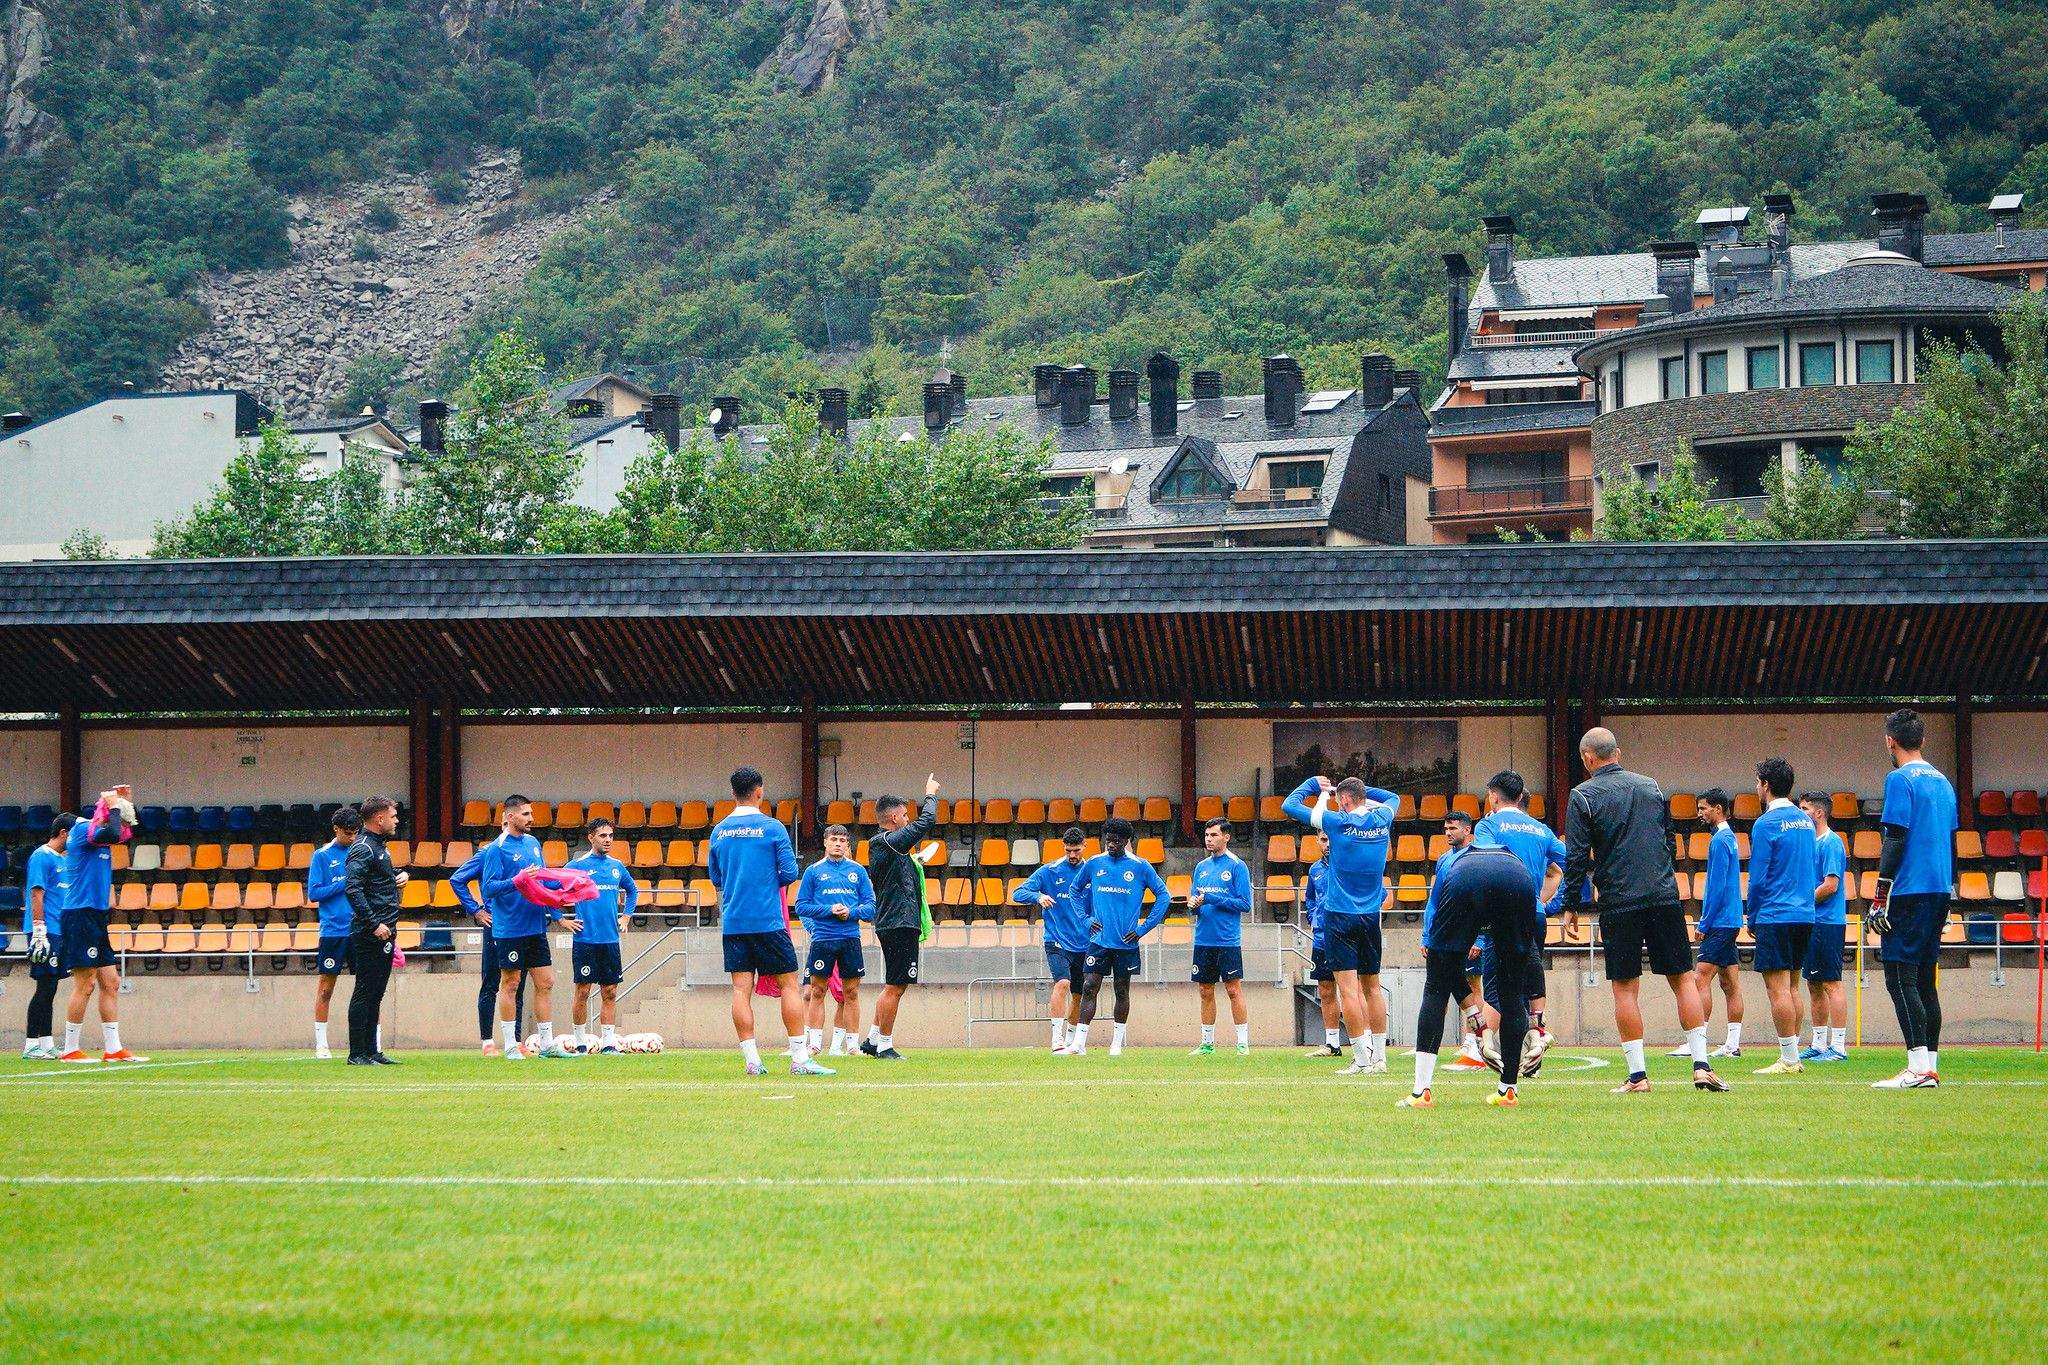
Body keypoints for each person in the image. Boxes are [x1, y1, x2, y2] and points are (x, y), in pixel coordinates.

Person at [1562, 729, 1727, 1093]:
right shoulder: (1651, 786)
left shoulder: (1582, 796)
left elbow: (1575, 856)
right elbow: (1669, 840)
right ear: (1617, 753)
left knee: (1625, 988)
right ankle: (1702, 1067)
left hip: (1620, 901)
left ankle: (1638, 1077)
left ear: (1587, 758)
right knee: (1683, 978)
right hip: (1664, 896)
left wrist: (1571, 904)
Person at [1399, 841, 1539, 1111]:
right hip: (1518, 881)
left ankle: (1421, 1093)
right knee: (1511, 992)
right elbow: (1530, 963)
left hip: (1466, 881)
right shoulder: (1515, 860)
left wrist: (1477, 1021)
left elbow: (1447, 971)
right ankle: (1509, 1090)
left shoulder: (1450, 862)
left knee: (1435, 987)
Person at [709, 766, 824, 1075]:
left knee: (740, 990)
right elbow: (789, 873)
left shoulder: (719, 831)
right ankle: (799, 1059)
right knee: (788, 984)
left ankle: (752, 1061)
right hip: (768, 920)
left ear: (733, 793)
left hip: (734, 921)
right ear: (759, 791)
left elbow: (716, 878)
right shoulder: (772, 828)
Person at [1282, 774, 1397, 1075]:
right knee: (1372, 989)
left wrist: (1312, 785)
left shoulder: (1336, 822)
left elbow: (1289, 805)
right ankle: (1381, 1060)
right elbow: (1391, 797)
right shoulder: (1383, 818)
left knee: (1348, 990)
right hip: (1371, 916)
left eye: (1339, 799)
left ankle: (1361, 1059)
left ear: (1344, 800)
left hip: (1339, 915)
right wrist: (1353, 790)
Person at [1870, 708, 1955, 1089]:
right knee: (1924, 980)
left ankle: (1917, 1068)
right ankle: (1930, 1067)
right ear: (1922, 739)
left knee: (1899, 978)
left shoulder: (1899, 779)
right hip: (1939, 888)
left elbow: (1896, 837)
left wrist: (1879, 895)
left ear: (1891, 740)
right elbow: (1949, 839)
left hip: (1908, 890)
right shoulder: (1943, 781)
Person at [475, 795, 581, 1061]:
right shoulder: (496, 849)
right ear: (510, 817)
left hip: (535, 926)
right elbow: (488, 888)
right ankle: (511, 1045)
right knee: (510, 983)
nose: (531, 818)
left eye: (531, 813)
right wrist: (517, 880)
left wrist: (566, 889)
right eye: (525, 814)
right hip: (510, 928)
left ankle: (546, 1045)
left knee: (546, 982)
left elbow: (541, 883)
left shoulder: (533, 843)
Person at [1474, 772, 1563, 1078]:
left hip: (1503, 912)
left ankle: (1489, 1048)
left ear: (1494, 796)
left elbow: (1485, 861)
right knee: (1527, 976)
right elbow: (1567, 864)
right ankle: (1533, 1046)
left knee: (1499, 987)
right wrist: (1547, 901)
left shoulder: (1488, 825)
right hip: (1534, 915)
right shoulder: (1541, 829)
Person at [1066, 817, 1171, 1057]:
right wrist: (1084, 918)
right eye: (1108, 840)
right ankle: (1079, 1044)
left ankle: (1116, 1044)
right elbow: (1074, 890)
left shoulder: (1140, 866)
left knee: (1121, 990)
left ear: (1126, 841)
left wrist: (1144, 928)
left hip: (1126, 943)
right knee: (1089, 986)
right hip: (1098, 941)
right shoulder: (1094, 863)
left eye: (1116, 841)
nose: (1110, 845)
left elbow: (1163, 896)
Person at [57, 787, 144, 1063]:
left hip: (94, 914)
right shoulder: (82, 831)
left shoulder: (99, 837)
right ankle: (70, 1049)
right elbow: (109, 831)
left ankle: (113, 1048)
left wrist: (123, 803)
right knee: (85, 983)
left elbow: (122, 832)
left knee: (111, 982)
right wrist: (112, 807)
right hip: (80, 914)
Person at [1747, 758, 1818, 1076]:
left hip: (1775, 914)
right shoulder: (1806, 822)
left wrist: (1751, 913)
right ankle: (1794, 1055)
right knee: (1793, 987)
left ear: (1764, 784)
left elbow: (1758, 877)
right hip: (1804, 914)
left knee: (1777, 990)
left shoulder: (1765, 824)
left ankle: (1789, 1059)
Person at [861, 775, 940, 1060]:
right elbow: (925, 823)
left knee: (895, 984)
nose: (908, 819)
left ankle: (872, 1039)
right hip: (897, 922)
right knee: (895, 985)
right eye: (905, 814)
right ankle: (884, 1044)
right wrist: (929, 794)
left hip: (898, 921)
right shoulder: (884, 842)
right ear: (894, 818)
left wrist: (916, 862)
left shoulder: (893, 849)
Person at [1671, 789, 1744, 1059]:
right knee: (1729, 981)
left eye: (1703, 808)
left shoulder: (1719, 841)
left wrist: (1705, 921)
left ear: (1718, 809)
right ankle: (1732, 1044)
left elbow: (1717, 886)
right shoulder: (1730, 838)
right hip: (1731, 919)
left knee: (1700, 977)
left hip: (1720, 921)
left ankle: (1696, 1042)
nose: (1700, 813)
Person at [794, 824, 875, 1059]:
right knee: (818, 991)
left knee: (851, 993)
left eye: (842, 840)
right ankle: (815, 1045)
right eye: (834, 839)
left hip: (850, 937)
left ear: (847, 844)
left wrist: (850, 913)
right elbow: (801, 906)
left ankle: (852, 1046)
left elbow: (870, 906)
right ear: (825, 843)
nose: (838, 843)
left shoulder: (858, 872)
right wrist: (829, 909)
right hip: (823, 938)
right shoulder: (813, 871)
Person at [1013, 827, 1090, 1052]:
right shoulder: (1050, 871)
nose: (1072, 855)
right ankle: (1056, 1039)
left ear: (1084, 846)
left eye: (1076, 850)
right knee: (1062, 983)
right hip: (1056, 939)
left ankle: (1072, 1040)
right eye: (1068, 851)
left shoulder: (1092, 871)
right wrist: (1038, 896)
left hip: (1084, 942)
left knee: (1079, 993)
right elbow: (1018, 893)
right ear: (1063, 848)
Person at [1422, 811, 1488, 1072]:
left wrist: (1480, 937)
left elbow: (1482, 902)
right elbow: (1434, 900)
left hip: (1468, 935)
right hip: (1443, 936)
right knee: (1451, 985)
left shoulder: (1475, 858)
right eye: (1445, 828)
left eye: (1453, 828)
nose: (1448, 832)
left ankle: (1476, 1042)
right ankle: (1477, 1039)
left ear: (1467, 831)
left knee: (1471, 984)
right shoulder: (1443, 860)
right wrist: (1427, 934)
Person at [567, 817, 639, 1054]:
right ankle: (579, 1042)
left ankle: (608, 1043)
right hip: (585, 940)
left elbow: (632, 890)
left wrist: (626, 917)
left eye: (610, 836)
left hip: (610, 940)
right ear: (591, 837)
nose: (608, 840)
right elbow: (551, 889)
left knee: (610, 991)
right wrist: (560, 919)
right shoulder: (576, 866)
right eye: (602, 836)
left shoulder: (617, 866)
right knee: (583, 990)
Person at [342, 796, 405, 1066]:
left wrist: (398, 876)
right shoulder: (364, 847)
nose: (396, 821)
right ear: (379, 819)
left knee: (376, 991)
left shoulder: (380, 847)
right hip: (372, 931)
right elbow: (352, 888)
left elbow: (377, 879)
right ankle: (357, 1053)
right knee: (365, 990)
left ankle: (371, 1051)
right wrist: (374, 923)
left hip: (387, 928)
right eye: (392, 816)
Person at [452, 836, 526, 1055]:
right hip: (495, 924)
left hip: (520, 924)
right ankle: (487, 1042)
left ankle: (516, 1042)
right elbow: (457, 879)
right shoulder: (489, 852)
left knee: (518, 983)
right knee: (492, 981)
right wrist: (476, 910)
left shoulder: (527, 847)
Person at [1188, 818, 1253, 1055]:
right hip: (1203, 938)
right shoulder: (1201, 867)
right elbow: (1195, 902)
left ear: (1226, 837)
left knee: (1233, 990)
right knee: (1205, 990)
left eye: (1214, 835)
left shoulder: (1237, 866)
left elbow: (1245, 903)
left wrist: (1211, 899)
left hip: (1227, 940)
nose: (1209, 839)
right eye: (1207, 835)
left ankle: (1243, 1043)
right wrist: (1193, 905)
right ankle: (1207, 1044)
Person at [305, 806, 361, 1060]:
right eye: (347, 833)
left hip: (361, 929)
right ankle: (321, 1044)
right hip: (333, 931)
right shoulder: (322, 856)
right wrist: (342, 882)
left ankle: (372, 1043)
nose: (352, 837)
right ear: (336, 829)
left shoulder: (362, 852)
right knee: (326, 987)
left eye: (355, 833)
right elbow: (314, 893)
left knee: (368, 988)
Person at [1798, 792, 1850, 1062]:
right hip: (1813, 921)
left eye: (1805, 808)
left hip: (1828, 922)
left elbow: (1831, 885)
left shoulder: (1831, 843)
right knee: (1814, 983)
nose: (1800, 812)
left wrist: (1802, 902)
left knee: (1832, 983)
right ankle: (1818, 1044)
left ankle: (1838, 1047)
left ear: (1819, 813)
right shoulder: (1809, 843)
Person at [20, 813, 76, 1060]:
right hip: (45, 931)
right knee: (44, 986)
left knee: (51, 987)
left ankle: (46, 1043)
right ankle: (31, 1044)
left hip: (59, 930)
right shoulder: (41, 857)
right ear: (64, 833)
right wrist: (39, 930)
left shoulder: (63, 861)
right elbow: (36, 894)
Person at [1300, 856, 1342, 1058]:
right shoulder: (1314, 869)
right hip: (1321, 938)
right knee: (1325, 989)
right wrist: (1312, 916)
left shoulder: (1349, 860)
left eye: (1330, 838)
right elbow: (1309, 897)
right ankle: (1332, 1044)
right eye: (1323, 839)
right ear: (1318, 840)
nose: (1328, 844)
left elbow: (1379, 893)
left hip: (1346, 936)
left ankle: (1366, 1042)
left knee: (1355, 990)